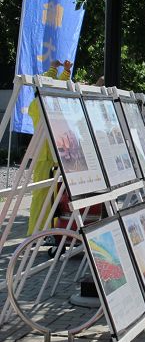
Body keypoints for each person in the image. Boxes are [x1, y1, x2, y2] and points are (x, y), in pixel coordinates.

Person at [28, 59, 72, 235]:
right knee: (41, 194)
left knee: (55, 195)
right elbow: (50, 86)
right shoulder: (37, 104)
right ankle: (36, 231)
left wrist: (65, 72)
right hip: (44, 155)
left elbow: (53, 87)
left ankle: (47, 229)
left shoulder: (44, 101)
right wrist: (55, 70)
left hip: (54, 154)